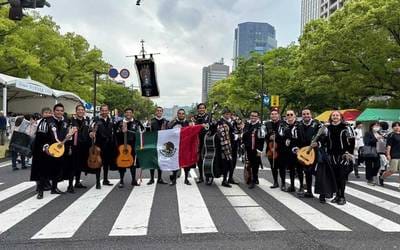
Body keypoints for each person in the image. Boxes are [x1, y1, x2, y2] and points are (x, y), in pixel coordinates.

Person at [34, 103, 74, 199]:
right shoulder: (47, 120)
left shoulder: (65, 122)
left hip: (60, 149)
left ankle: (54, 188)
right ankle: (40, 191)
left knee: (57, 169)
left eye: (61, 110)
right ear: (54, 111)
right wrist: (45, 147)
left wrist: (69, 139)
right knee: (44, 170)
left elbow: (67, 135)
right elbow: (40, 135)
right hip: (48, 149)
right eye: (57, 110)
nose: (59, 112)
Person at [316, 111, 353, 205]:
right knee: (334, 176)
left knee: (342, 176)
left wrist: (348, 152)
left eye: (337, 115)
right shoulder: (327, 128)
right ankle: (337, 195)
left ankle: (342, 196)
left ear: (341, 117)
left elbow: (352, 141)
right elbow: (322, 140)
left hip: (343, 155)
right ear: (331, 117)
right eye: (333, 115)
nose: (335, 117)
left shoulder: (346, 127)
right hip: (331, 155)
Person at [68, 105, 96, 193]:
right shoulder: (71, 121)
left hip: (84, 146)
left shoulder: (87, 121)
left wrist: (91, 133)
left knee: (80, 165)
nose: (80, 111)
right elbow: (68, 133)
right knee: (72, 166)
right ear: (76, 111)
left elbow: (90, 130)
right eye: (79, 110)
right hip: (74, 146)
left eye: (82, 110)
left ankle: (77, 182)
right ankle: (70, 185)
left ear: (84, 111)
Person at [115, 108, 144, 188]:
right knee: (121, 163)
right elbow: (116, 133)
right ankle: (121, 180)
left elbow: (142, 132)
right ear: (124, 114)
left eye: (130, 112)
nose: (128, 114)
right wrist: (121, 131)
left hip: (133, 146)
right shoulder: (120, 123)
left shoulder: (137, 122)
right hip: (122, 146)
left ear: (132, 114)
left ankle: (133, 180)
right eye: (127, 112)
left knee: (133, 164)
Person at [297, 109, 322, 198]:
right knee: (307, 172)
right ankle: (309, 191)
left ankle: (322, 192)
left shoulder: (317, 124)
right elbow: (297, 139)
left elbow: (323, 137)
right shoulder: (298, 125)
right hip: (304, 152)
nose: (306, 115)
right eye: (304, 114)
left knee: (317, 171)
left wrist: (318, 143)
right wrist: (297, 148)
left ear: (311, 114)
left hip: (315, 151)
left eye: (307, 114)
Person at [91, 104, 115, 186]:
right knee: (98, 163)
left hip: (109, 145)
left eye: (106, 110)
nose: (104, 112)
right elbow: (90, 129)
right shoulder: (95, 119)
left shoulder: (111, 120)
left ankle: (105, 180)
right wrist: (92, 133)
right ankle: (98, 181)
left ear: (108, 111)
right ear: (100, 111)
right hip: (99, 145)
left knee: (106, 163)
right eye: (103, 110)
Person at [168, 109, 194, 185]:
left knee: (187, 163)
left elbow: (192, 132)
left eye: (183, 113)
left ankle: (186, 179)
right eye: (179, 113)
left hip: (186, 145)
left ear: (184, 114)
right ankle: (174, 180)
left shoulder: (188, 123)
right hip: (176, 145)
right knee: (175, 163)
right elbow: (168, 132)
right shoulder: (173, 123)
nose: (181, 115)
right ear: (177, 114)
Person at [242, 111, 265, 189]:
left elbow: (262, 139)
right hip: (248, 147)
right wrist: (243, 143)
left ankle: (253, 180)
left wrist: (260, 150)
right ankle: (254, 178)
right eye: (252, 116)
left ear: (258, 117)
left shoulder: (260, 126)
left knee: (256, 164)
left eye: (255, 116)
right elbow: (244, 135)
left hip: (257, 148)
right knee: (250, 163)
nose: (253, 117)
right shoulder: (247, 125)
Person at [281, 110, 302, 193]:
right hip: (288, 151)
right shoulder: (284, 125)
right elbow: (281, 137)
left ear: (295, 116)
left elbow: (302, 138)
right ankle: (292, 185)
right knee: (291, 169)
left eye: (291, 114)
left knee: (300, 169)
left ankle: (301, 187)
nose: (289, 116)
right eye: (287, 114)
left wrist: (298, 147)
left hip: (298, 150)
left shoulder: (299, 125)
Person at [265, 108, 286, 189]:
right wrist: (269, 137)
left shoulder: (283, 124)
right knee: (273, 167)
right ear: (270, 115)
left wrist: (276, 136)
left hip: (280, 149)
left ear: (278, 115)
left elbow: (284, 135)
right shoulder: (267, 124)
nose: (274, 115)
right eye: (272, 114)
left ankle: (283, 183)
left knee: (282, 167)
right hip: (270, 149)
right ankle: (275, 182)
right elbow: (264, 135)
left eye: (275, 114)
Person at [148, 106, 168, 185]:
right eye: (157, 111)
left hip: (162, 144)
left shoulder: (165, 121)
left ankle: (160, 178)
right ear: (155, 112)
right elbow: (147, 133)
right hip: (153, 143)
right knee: (152, 161)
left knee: (160, 161)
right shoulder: (151, 121)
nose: (159, 112)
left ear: (162, 112)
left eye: (160, 111)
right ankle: (152, 178)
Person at [219, 108, 239, 185]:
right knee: (226, 162)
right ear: (223, 114)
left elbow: (238, 129)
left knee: (233, 162)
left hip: (234, 144)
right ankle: (224, 179)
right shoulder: (221, 122)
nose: (228, 115)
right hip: (225, 144)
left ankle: (230, 177)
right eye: (226, 114)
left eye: (229, 114)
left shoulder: (233, 122)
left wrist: (237, 134)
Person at [193, 103, 211, 183]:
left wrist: (204, 125)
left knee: (207, 158)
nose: (201, 109)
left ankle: (207, 176)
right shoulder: (195, 117)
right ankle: (201, 176)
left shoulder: (209, 116)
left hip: (207, 140)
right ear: (198, 109)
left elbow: (209, 126)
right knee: (199, 159)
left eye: (203, 108)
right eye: (200, 108)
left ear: (205, 109)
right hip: (198, 140)